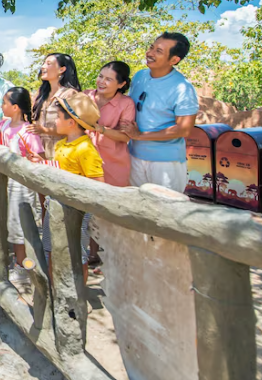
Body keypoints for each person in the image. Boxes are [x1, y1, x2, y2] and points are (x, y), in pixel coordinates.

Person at [122, 32, 199, 192]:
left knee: (166, 211)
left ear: (174, 60)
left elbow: (183, 129)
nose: (150, 53)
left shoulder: (182, 88)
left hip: (165, 163)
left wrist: (140, 136)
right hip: (134, 155)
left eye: (159, 51)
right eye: (151, 47)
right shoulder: (140, 77)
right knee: (135, 210)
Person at [42, 93, 104, 282]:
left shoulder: (85, 149)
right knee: (51, 247)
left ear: (72, 123)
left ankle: (78, 295)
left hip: (76, 210)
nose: (55, 121)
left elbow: (97, 183)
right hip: (56, 205)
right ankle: (56, 290)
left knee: (77, 253)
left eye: (59, 117)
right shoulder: (61, 144)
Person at [0, 88, 44, 283]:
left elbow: (38, 157)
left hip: (21, 184)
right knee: (12, 223)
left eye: (4, 103)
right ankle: (20, 262)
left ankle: (23, 266)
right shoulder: (3, 125)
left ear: (15, 107)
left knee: (21, 225)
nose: (1, 106)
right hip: (7, 181)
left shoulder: (27, 131)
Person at [83, 61, 136, 267]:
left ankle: (115, 257)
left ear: (121, 84)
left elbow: (125, 137)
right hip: (85, 160)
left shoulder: (126, 104)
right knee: (89, 208)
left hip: (113, 163)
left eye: (108, 79)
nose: (101, 81)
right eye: (100, 76)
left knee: (111, 210)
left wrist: (98, 128)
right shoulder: (86, 96)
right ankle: (93, 254)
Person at [26, 53, 82, 158]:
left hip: (63, 155)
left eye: (48, 64)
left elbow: (74, 129)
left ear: (62, 69)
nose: (43, 67)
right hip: (39, 154)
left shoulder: (70, 94)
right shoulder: (40, 94)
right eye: (43, 63)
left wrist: (44, 130)